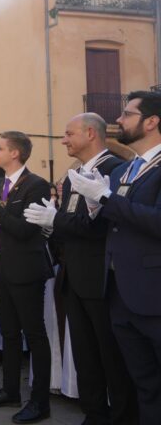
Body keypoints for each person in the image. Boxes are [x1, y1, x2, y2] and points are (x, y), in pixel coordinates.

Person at [24, 112, 136, 424]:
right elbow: (75, 224)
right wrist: (53, 223)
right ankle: (95, 413)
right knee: (85, 354)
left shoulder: (115, 168)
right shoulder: (77, 173)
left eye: (69, 133)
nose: (63, 140)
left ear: (90, 133)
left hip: (101, 277)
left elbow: (98, 227)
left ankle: (123, 416)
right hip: (74, 275)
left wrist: (56, 220)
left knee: (110, 356)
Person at [68, 91, 161, 424]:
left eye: (128, 113)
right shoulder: (127, 169)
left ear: (152, 121)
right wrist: (96, 207)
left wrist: (106, 198)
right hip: (120, 293)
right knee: (142, 384)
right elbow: (116, 219)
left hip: (153, 293)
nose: (119, 120)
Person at [0, 131, 53, 424]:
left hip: (27, 268)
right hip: (1, 265)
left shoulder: (36, 185)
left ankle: (40, 402)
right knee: (8, 333)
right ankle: (9, 390)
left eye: (0, 148)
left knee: (34, 334)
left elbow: (24, 230)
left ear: (15, 153)